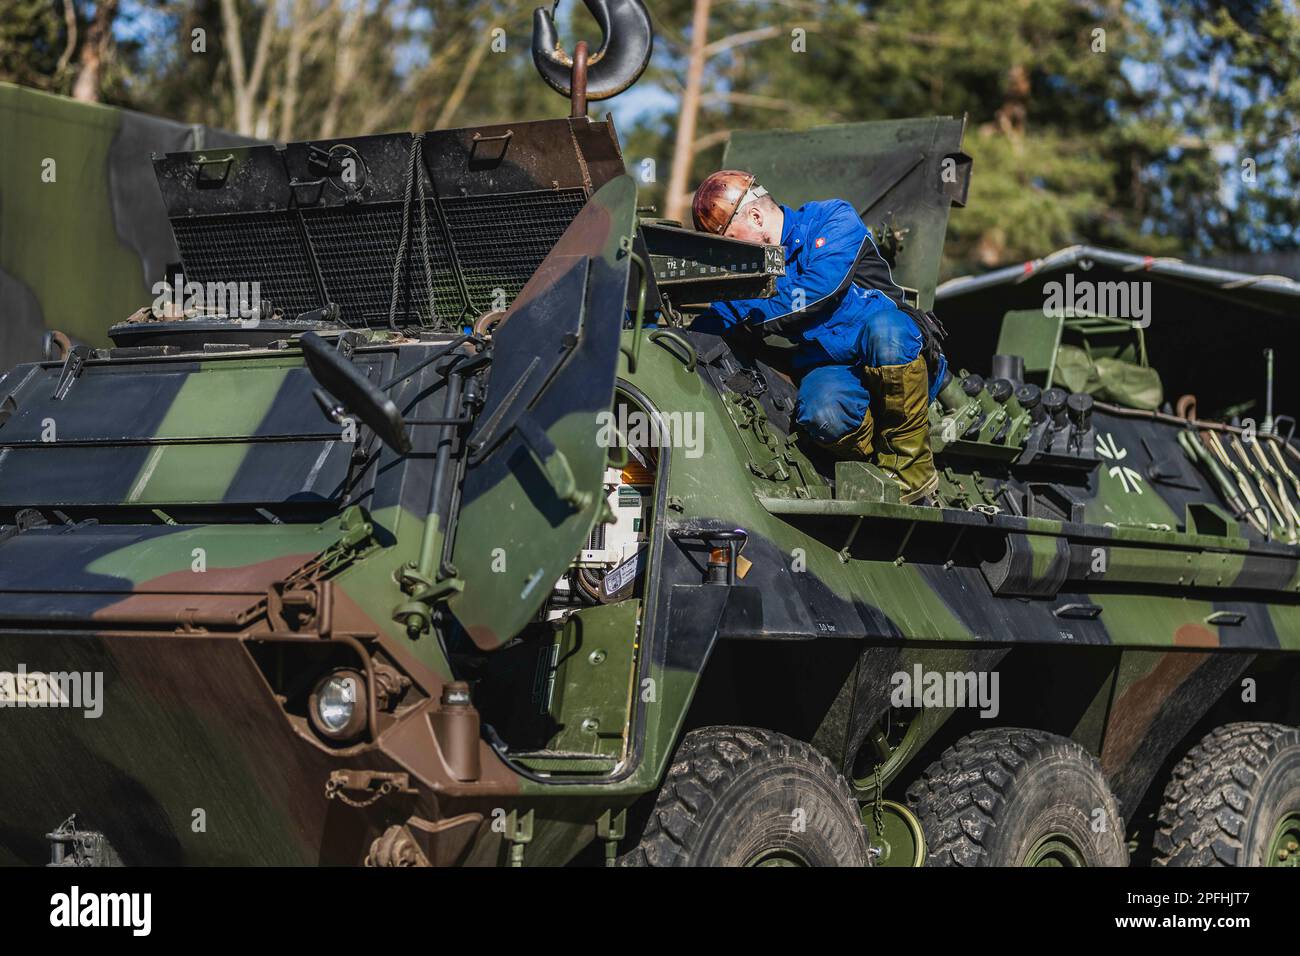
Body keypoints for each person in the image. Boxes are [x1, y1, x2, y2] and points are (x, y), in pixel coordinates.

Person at [689, 169, 950, 504]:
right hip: (833, 366)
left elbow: (818, 290)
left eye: (728, 240)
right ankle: (876, 462)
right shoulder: (750, 271)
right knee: (820, 414)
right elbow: (718, 320)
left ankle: (912, 471)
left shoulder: (832, 218)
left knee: (885, 332)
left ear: (755, 216)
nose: (728, 255)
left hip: (893, 349)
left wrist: (752, 313)